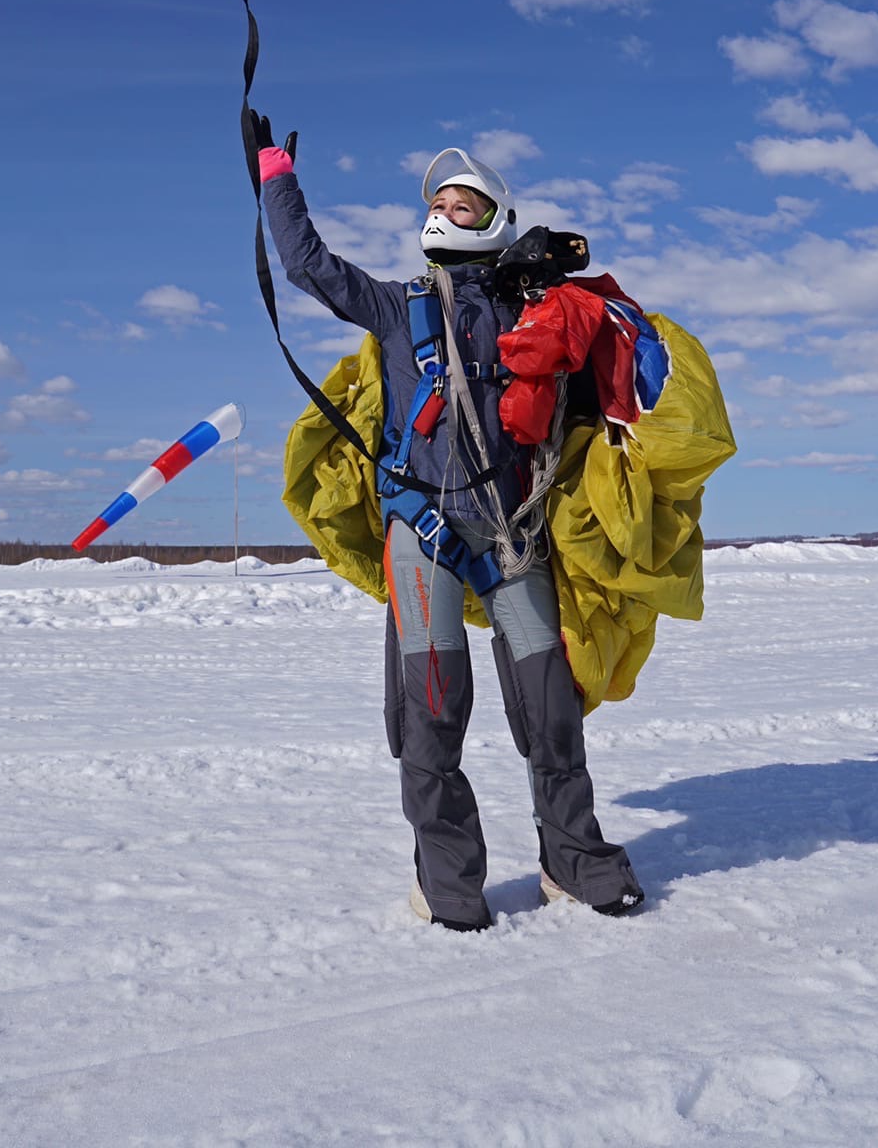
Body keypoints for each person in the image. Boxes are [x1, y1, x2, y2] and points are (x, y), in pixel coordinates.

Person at [257, 125, 644, 931]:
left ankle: (574, 862)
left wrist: (555, 279)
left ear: (495, 218)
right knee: (432, 709)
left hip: (511, 529)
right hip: (422, 529)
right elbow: (307, 265)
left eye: (461, 203)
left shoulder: (537, 309)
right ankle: (449, 883)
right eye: (436, 201)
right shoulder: (397, 307)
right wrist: (277, 178)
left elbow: (613, 358)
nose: (443, 211)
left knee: (550, 706)